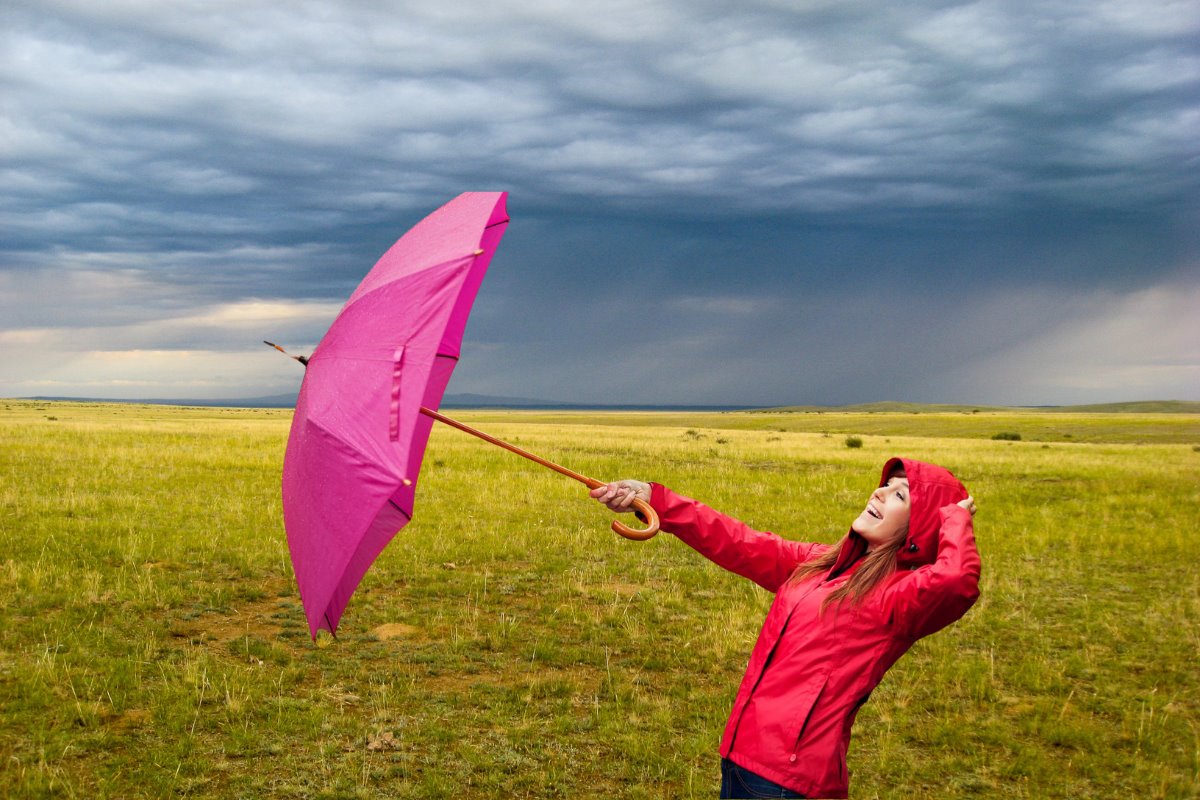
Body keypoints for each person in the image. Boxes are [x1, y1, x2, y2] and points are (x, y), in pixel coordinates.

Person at [590, 457, 980, 799]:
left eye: (900, 495)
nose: (879, 494)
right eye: (884, 485)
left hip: (790, 780)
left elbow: (956, 582)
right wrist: (655, 499)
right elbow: (739, 541)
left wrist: (955, 518)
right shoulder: (820, 565)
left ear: (921, 527)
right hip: (742, 757)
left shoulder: (899, 596)